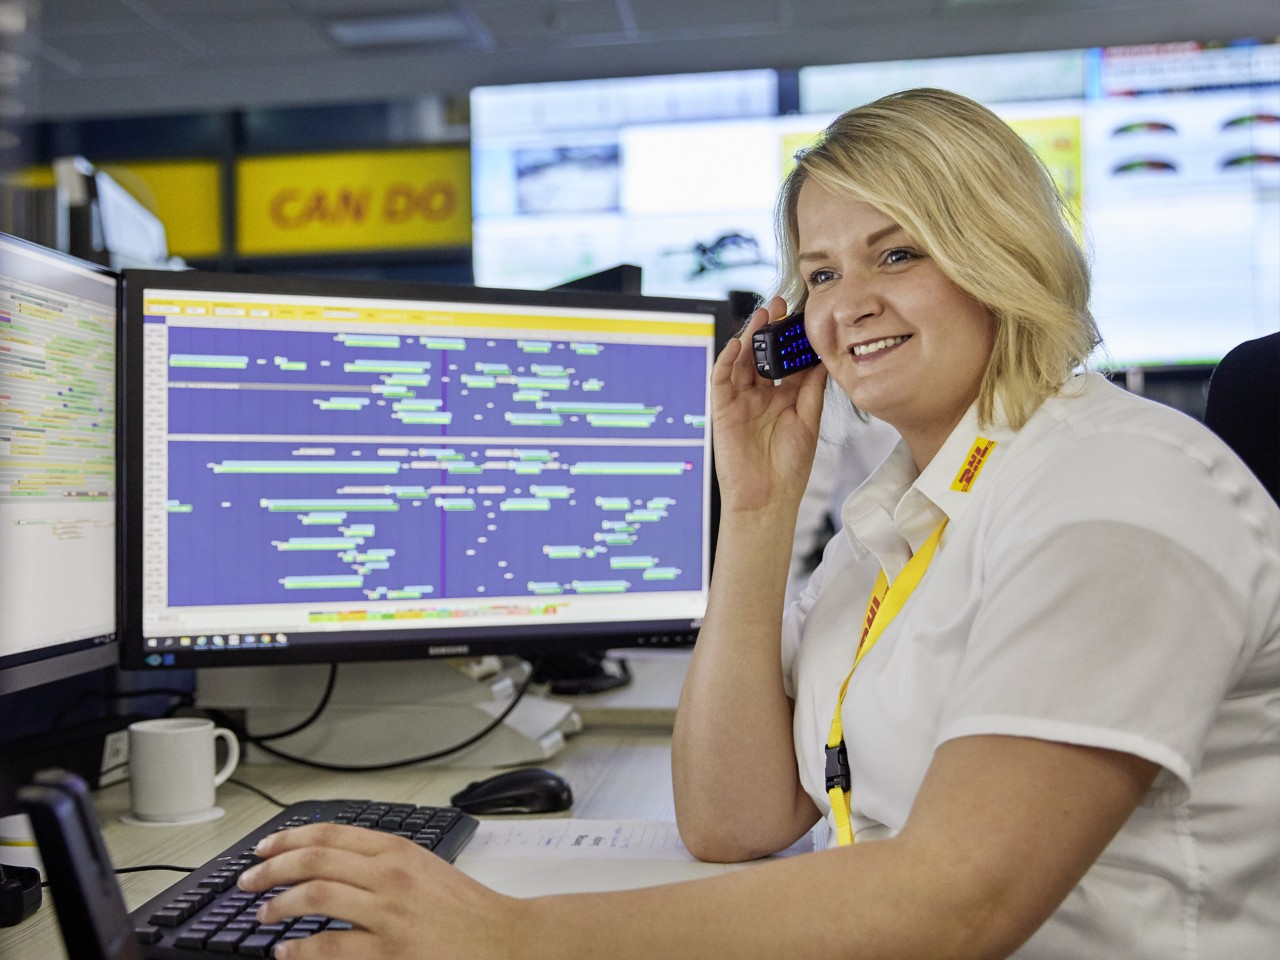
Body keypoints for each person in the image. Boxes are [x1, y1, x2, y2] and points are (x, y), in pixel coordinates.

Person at [238, 88, 1280, 959]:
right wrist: (757, 509)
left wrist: (510, 936)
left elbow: (960, 898)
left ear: (998, 254)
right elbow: (734, 820)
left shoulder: (1114, 493)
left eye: (896, 254)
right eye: (819, 274)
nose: (844, 305)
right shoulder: (910, 511)